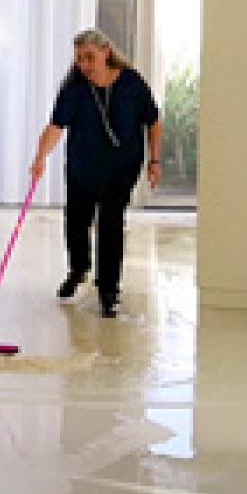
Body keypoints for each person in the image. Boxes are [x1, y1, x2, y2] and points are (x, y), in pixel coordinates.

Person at [29, 29, 161, 318]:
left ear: (106, 52)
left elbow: (153, 119)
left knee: (111, 224)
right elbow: (56, 126)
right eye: (79, 59)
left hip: (121, 168)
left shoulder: (131, 82)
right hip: (82, 168)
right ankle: (78, 270)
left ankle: (109, 290)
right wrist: (40, 158)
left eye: (89, 57)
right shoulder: (74, 88)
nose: (84, 65)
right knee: (76, 222)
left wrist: (155, 160)